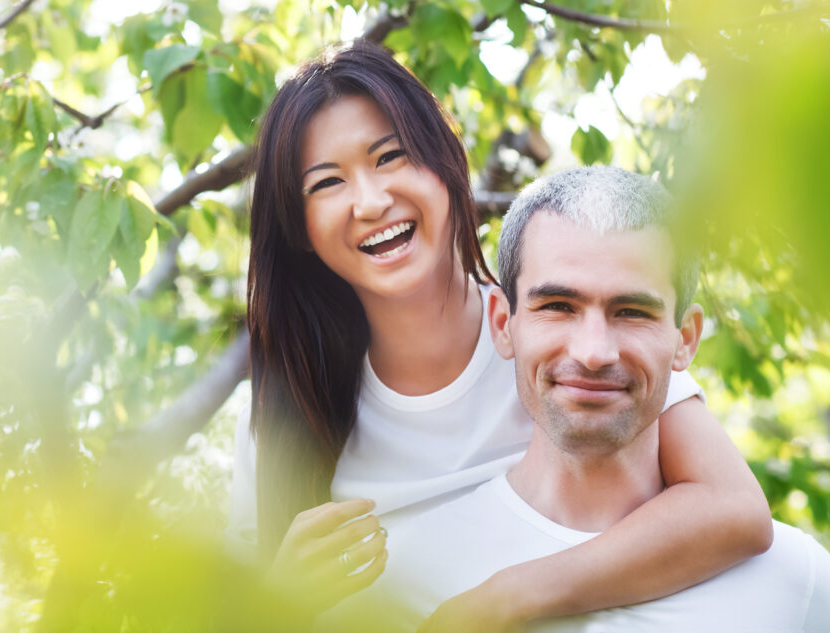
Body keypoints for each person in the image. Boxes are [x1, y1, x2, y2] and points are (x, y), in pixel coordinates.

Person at [230, 41, 772, 627]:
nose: (370, 201)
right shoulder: (291, 406)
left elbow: (733, 509)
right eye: (327, 183)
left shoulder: (558, 335)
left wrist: (502, 600)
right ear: (301, 227)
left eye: (389, 158)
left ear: (444, 164)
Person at [342, 165, 830, 631]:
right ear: (501, 323)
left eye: (632, 311)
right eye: (557, 306)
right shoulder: (402, 585)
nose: (594, 352)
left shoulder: (798, 582)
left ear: (686, 338)